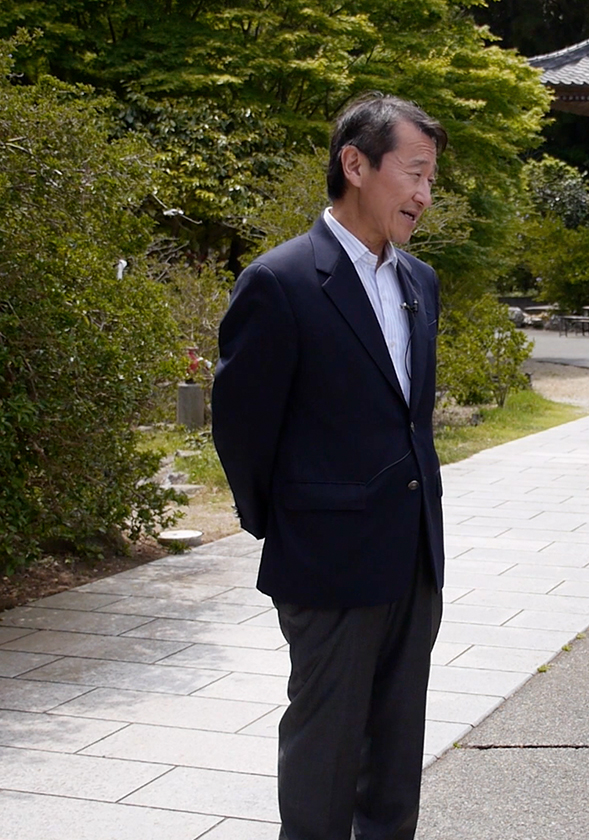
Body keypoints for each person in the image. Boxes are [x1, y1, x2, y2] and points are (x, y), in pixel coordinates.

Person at [212, 93, 448, 840]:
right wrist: (286, 525)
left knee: (395, 762)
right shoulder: (280, 282)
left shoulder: (420, 283)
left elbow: (410, 418)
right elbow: (242, 428)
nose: (423, 195)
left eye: (431, 180)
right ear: (355, 164)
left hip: (412, 558)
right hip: (326, 565)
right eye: (413, 173)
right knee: (324, 758)